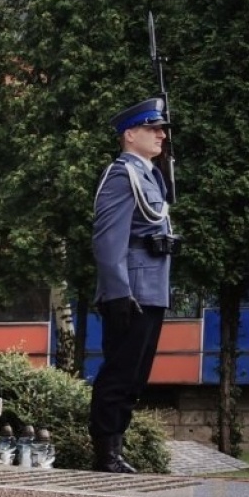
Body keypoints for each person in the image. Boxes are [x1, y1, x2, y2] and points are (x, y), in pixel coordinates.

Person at [89, 97, 177, 474]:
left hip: (152, 289)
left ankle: (116, 451)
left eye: (162, 129)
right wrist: (118, 293)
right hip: (131, 292)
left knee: (136, 378)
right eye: (152, 129)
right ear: (130, 135)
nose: (161, 135)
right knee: (120, 374)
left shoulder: (150, 175)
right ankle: (105, 454)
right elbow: (108, 239)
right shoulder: (122, 175)